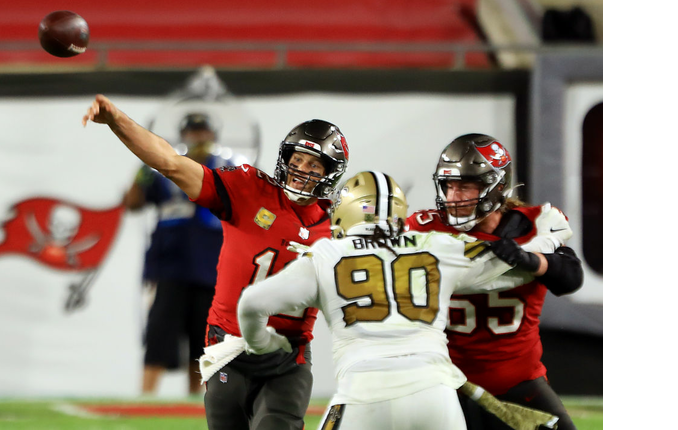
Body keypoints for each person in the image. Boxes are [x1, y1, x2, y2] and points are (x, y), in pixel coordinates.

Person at [83, 94, 349, 430]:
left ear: (330, 173)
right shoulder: (249, 190)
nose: (301, 170)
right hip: (230, 349)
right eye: (297, 158)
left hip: (288, 356)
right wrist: (116, 120)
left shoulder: (339, 227)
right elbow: (169, 162)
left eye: (314, 164)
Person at [236, 170, 570, 430]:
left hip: (363, 391)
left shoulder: (326, 254)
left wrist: (261, 343)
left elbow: (252, 303)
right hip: (435, 392)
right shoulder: (436, 246)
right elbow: (511, 267)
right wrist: (549, 239)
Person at [406, 133, 584, 430]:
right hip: (446, 384)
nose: (453, 197)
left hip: (519, 381)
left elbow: (570, 277)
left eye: (464, 186)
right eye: (448, 185)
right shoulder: (425, 229)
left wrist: (530, 260)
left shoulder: (535, 225)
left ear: (495, 187)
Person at [123, 112, 231, 395]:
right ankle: (145, 401)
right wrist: (142, 167)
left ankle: (195, 406)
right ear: (183, 136)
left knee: (204, 345)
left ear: (213, 135)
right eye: (193, 132)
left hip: (211, 270)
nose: (199, 137)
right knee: (159, 337)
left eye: (203, 131)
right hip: (170, 268)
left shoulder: (227, 170)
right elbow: (132, 203)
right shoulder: (162, 170)